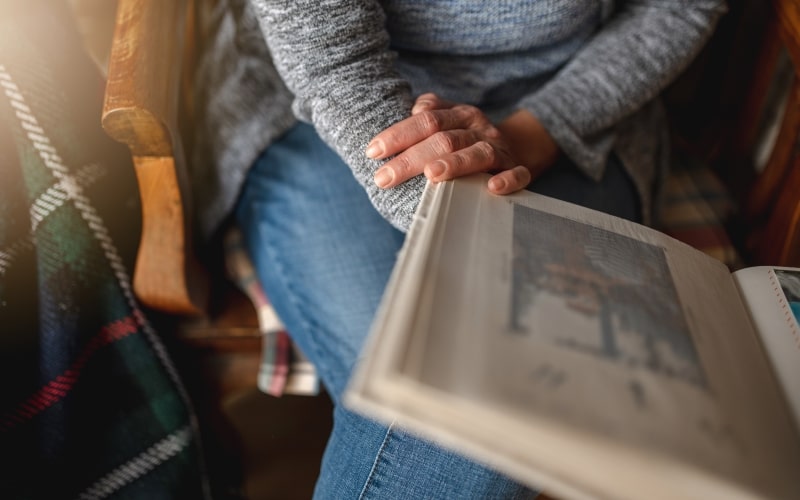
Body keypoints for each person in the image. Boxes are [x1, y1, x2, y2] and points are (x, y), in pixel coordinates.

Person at [223, 0, 728, 497]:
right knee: (442, 397)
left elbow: (680, 7)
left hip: (575, 123)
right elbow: (332, 58)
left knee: (495, 391)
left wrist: (536, 132)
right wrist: (444, 193)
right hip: (325, 121)